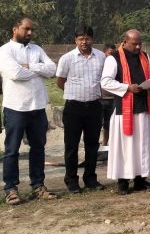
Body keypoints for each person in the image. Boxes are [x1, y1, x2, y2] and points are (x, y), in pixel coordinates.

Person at [0, 18, 58, 205]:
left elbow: (52, 69)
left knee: (38, 148)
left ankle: (38, 186)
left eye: (32, 30)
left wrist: (30, 67)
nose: (30, 33)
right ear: (15, 29)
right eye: (26, 29)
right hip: (16, 107)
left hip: (38, 106)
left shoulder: (36, 49)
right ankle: (11, 189)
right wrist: (40, 70)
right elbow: (15, 74)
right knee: (12, 150)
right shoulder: (5, 50)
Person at [101, 29, 150, 194]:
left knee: (142, 145)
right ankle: (123, 182)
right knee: (125, 147)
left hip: (142, 108)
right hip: (124, 110)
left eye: (140, 43)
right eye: (135, 44)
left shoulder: (144, 56)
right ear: (125, 41)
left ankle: (140, 180)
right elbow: (105, 82)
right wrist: (127, 87)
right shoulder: (114, 58)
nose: (138, 47)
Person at [55, 25, 106, 193]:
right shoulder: (67, 58)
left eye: (87, 38)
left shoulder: (101, 57)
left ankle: (90, 178)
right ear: (75, 40)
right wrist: (74, 92)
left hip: (94, 106)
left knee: (92, 144)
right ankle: (71, 180)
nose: (84, 42)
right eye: (80, 38)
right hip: (73, 107)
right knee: (72, 145)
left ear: (92, 39)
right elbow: (60, 81)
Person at [98, 43, 117, 161]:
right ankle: (97, 147)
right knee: (97, 123)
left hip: (112, 98)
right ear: (104, 52)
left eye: (113, 53)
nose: (112, 55)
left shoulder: (115, 65)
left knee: (109, 124)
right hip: (100, 99)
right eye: (110, 53)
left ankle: (106, 145)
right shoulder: (100, 64)